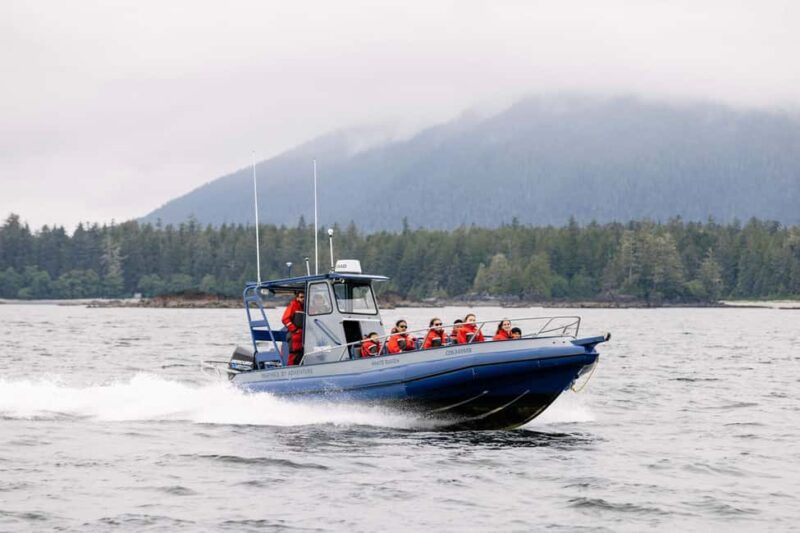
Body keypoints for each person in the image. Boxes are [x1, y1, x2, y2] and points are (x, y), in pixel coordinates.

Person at [281, 290, 305, 365]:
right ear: (297, 298)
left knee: (300, 355)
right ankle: (290, 371)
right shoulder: (293, 305)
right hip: (294, 336)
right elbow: (285, 319)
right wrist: (294, 329)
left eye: (304, 297)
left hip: (301, 336)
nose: (303, 299)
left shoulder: (305, 307)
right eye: (301, 297)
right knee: (293, 355)